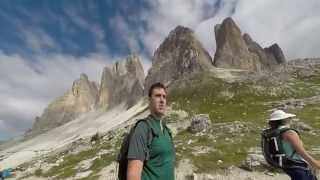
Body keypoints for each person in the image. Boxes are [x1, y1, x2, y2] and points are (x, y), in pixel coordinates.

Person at [126, 82, 175, 180]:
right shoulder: (143, 128)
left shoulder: (166, 130)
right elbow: (133, 176)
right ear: (149, 100)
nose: (162, 100)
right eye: (157, 96)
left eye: (164, 97)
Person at [267, 110, 320, 180]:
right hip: (296, 165)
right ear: (284, 120)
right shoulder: (289, 133)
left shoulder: (273, 132)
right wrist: (314, 163)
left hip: (285, 165)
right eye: (289, 118)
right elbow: (301, 152)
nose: (290, 120)